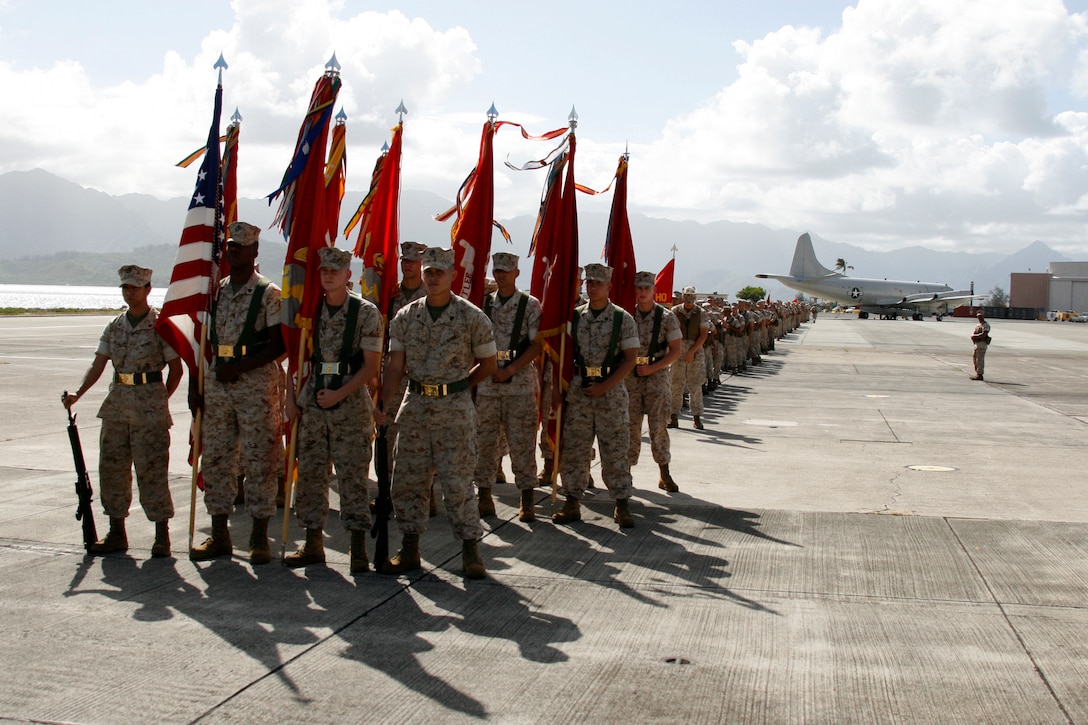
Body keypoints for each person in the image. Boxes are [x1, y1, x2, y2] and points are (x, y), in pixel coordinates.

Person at [376, 246, 497, 579]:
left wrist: (459, 386)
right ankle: (410, 549)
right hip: (414, 407)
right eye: (428, 271)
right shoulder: (406, 316)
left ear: (452, 275)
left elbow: (489, 364)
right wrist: (384, 401)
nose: (432, 277)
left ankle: (471, 550)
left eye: (439, 272)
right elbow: (396, 364)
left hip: (454, 412)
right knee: (408, 481)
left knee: (457, 483)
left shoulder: (472, 317)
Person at [62, 265, 183, 557]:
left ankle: (161, 535)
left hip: (149, 409)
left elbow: (177, 369)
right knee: (113, 469)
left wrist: (160, 398)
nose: (129, 292)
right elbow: (99, 363)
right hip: (117, 408)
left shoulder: (160, 325)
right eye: (125, 288)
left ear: (148, 289)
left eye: (134, 287)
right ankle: (117, 532)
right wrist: (79, 392)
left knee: (152, 471)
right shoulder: (115, 325)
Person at [189, 221, 286, 565]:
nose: (233, 252)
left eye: (241, 247)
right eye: (230, 246)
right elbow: (202, 342)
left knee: (261, 459)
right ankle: (220, 533)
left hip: (255, 384)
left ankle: (260, 536)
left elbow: (277, 345)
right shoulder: (215, 291)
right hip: (218, 384)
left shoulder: (269, 293)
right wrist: (196, 383)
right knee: (216, 459)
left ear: (255, 251)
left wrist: (238, 368)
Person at [283, 247, 383, 572]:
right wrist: (290, 397)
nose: (328, 275)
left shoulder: (366, 313)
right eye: (324, 269)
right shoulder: (310, 310)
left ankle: (357, 549)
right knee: (311, 473)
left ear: (348, 275)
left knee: (353, 476)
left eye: (335, 270)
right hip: (314, 401)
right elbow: (297, 357)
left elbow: (370, 368)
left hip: (350, 403)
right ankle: (313, 543)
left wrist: (340, 394)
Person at [553, 263, 639, 528]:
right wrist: (559, 390)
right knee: (576, 450)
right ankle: (572, 501)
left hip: (610, 393)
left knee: (614, 450)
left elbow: (630, 360)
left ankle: (622, 503)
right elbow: (564, 357)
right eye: (589, 282)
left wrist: (606, 386)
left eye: (598, 283)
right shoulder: (576, 317)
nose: (593, 287)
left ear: (609, 285)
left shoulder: (622, 318)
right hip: (580, 391)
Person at [474, 252, 543, 523]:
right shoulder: (484, 304)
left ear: (516, 272)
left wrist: (511, 370)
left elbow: (536, 345)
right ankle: (484, 495)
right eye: (497, 269)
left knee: (522, 443)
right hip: (489, 385)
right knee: (485, 442)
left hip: (520, 385)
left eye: (506, 270)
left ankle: (526, 498)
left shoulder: (530, 305)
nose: (501, 274)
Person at [625, 271, 683, 492]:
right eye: (639, 288)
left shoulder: (667, 317)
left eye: (646, 288)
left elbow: (675, 351)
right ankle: (627, 471)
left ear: (654, 291)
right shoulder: (627, 315)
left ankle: (664, 472)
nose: (642, 292)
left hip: (656, 375)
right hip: (630, 376)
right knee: (630, 426)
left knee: (658, 426)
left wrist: (652, 368)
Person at [669, 285, 709, 430]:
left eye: (691, 296)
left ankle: (696, 417)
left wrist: (692, 351)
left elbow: (703, 334)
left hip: (695, 350)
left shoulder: (701, 313)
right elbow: (670, 331)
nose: (689, 299)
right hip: (677, 349)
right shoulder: (675, 311)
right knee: (675, 384)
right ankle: (673, 416)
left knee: (695, 384)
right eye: (687, 296)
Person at [970, 311, 990, 380]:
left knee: (980, 360)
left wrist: (974, 336)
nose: (979, 318)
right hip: (977, 344)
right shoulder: (978, 325)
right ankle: (977, 373)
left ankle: (980, 374)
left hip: (982, 344)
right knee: (975, 359)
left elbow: (983, 335)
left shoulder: (986, 325)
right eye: (978, 316)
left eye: (980, 316)